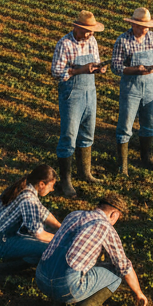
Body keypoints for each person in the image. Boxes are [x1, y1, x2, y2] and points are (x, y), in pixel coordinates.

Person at [35, 192, 149, 306]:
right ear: (115, 214)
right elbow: (124, 266)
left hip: (41, 278)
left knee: (66, 258)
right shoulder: (106, 228)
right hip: (66, 287)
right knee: (116, 275)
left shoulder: (73, 215)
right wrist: (138, 292)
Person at [51, 10, 110, 196]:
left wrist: (98, 68)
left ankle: (85, 172)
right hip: (72, 93)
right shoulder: (65, 43)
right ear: (76, 27)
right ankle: (66, 181)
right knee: (68, 136)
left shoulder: (92, 41)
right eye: (86, 30)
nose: (89, 34)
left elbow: (95, 62)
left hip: (90, 92)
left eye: (91, 30)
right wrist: (78, 71)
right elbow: (56, 72)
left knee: (87, 132)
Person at [0, 163, 63, 281]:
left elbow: (43, 212)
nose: (52, 189)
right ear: (42, 184)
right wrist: (61, 239)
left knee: (46, 234)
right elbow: (39, 234)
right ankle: (2, 270)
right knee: (48, 249)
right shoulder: (29, 200)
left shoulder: (24, 188)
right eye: (51, 185)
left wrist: (61, 228)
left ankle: (18, 252)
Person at [111, 7, 153, 176]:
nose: (145, 29)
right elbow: (116, 66)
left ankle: (146, 158)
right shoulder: (123, 40)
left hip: (149, 86)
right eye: (142, 26)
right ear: (133, 25)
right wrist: (135, 69)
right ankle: (122, 166)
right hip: (130, 88)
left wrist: (152, 69)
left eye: (147, 26)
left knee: (148, 124)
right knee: (125, 127)